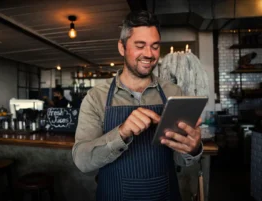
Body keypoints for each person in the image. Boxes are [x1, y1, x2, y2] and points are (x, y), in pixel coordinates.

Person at [72, 10, 203, 201]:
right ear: (122, 47)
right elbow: (82, 161)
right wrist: (122, 132)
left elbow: (182, 160)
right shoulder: (96, 98)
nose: (149, 54)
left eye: (155, 46)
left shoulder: (173, 93)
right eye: (140, 45)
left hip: (165, 195)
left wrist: (193, 148)